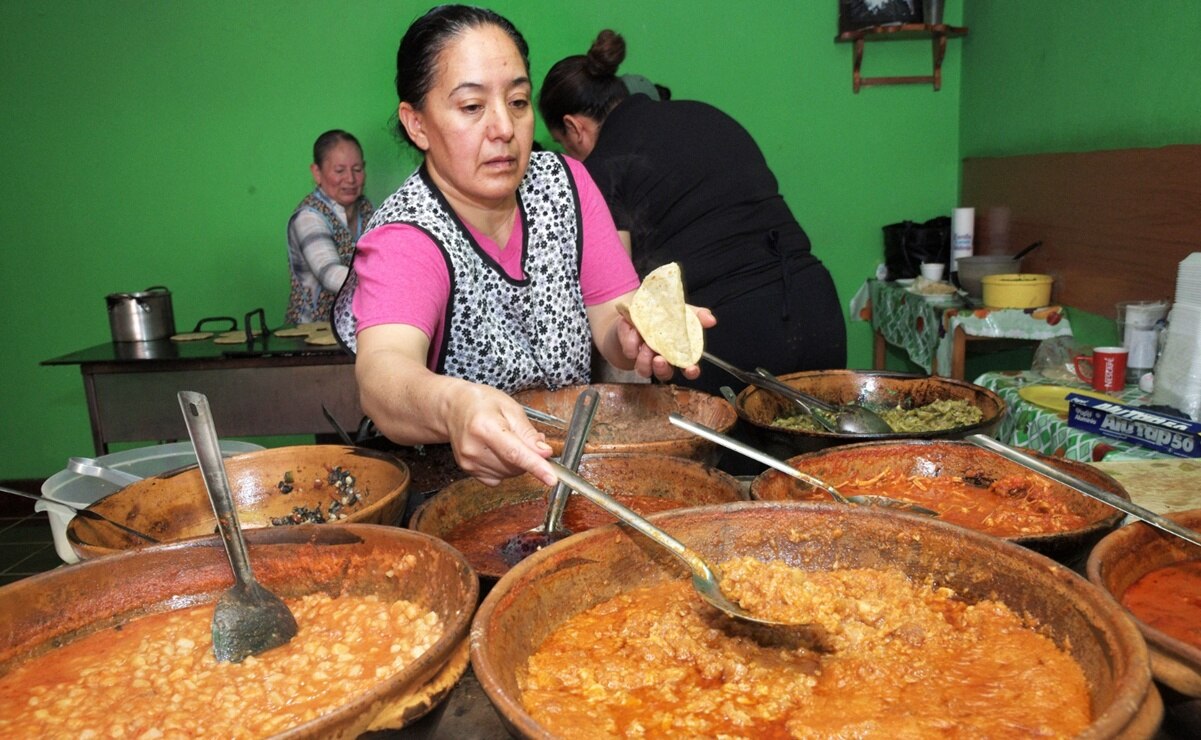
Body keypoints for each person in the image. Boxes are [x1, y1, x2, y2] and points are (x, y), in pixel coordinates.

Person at [332, 6, 713, 487]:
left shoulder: (565, 184)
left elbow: (610, 324)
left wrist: (638, 333)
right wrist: (456, 407)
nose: (505, 129)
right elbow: (383, 376)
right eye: (472, 107)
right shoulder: (408, 234)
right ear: (417, 124)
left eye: (517, 101)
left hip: (570, 476)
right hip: (460, 494)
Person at [539, 30, 847, 398]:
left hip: (725, 333)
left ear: (574, 127)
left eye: (564, 145)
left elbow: (621, 292)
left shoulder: (603, 166)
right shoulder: (705, 114)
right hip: (814, 303)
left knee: (728, 458)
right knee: (821, 454)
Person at [285, 130, 373, 326]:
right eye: (339, 170)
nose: (350, 179)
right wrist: (389, 283)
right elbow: (329, 273)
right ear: (317, 172)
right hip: (312, 331)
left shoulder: (366, 208)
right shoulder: (308, 217)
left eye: (357, 169)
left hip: (354, 327)